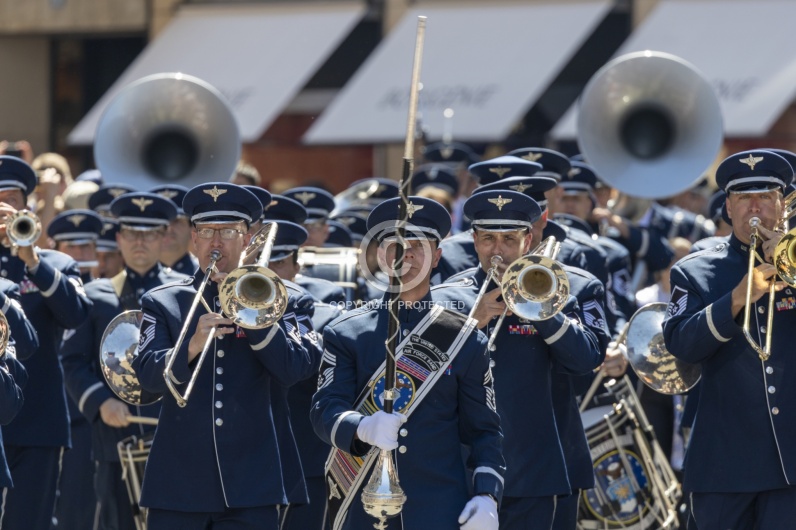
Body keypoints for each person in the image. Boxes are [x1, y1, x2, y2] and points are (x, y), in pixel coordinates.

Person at [311, 196, 504, 530]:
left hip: (438, 507)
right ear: (381, 255)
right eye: (396, 245)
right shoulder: (347, 332)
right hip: (362, 506)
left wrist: (487, 495)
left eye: (420, 246)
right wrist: (361, 426)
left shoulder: (466, 339)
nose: (408, 255)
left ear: (437, 257)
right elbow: (324, 410)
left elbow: (484, 431)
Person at [132, 182, 316, 529]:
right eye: (206, 231)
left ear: (247, 239)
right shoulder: (163, 301)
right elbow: (146, 375)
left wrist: (256, 315)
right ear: (194, 239)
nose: (216, 243)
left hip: (252, 486)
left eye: (228, 231)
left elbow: (296, 368)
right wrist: (190, 345)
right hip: (178, 486)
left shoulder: (287, 299)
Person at [432, 190, 603, 529]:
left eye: (509, 239)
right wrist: (471, 323)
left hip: (531, 469)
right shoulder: (446, 296)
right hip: (461, 467)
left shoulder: (557, 291)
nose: (497, 250)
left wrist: (539, 308)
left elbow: (586, 360)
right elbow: (423, 374)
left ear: (528, 240)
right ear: (474, 241)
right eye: (488, 239)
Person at [663, 149, 796, 529]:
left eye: (766, 197)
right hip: (723, 465)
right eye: (744, 198)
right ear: (728, 207)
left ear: (782, 206)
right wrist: (737, 297)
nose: (756, 208)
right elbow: (682, 347)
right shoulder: (695, 271)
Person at [61, 192, 187, 530]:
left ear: (163, 236)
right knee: (117, 520)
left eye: (148, 234)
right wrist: (100, 403)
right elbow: (72, 361)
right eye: (131, 233)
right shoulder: (97, 294)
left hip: (172, 433)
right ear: (118, 238)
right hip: (115, 436)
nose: (139, 243)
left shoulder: (185, 293)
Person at [0, 156, 92, 530]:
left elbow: (75, 315)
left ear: (27, 207)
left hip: (39, 421)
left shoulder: (56, 263)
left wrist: (33, 260)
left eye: (11, 202)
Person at [46, 208, 104, 530]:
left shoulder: (106, 293)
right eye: (72, 248)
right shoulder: (40, 291)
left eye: (87, 248)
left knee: (81, 512)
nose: (81, 256)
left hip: (84, 422)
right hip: (45, 419)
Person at [150, 184, 199, 274]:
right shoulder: (128, 281)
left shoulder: (207, 278)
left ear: (192, 229)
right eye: (162, 222)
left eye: (176, 221)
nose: (168, 228)